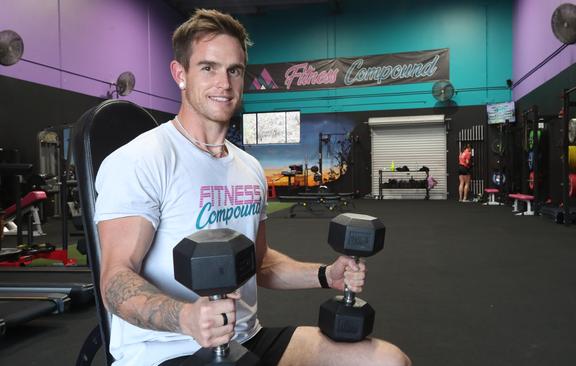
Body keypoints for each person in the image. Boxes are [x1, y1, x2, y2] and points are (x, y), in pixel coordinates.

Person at [93, 9, 411, 366]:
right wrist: (186, 317)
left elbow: (259, 263)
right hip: (164, 350)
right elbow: (116, 279)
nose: (224, 83)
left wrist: (325, 274)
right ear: (180, 74)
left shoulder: (249, 167)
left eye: (235, 70)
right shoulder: (142, 159)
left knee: (388, 360)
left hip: (245, 339)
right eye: (208, 67)